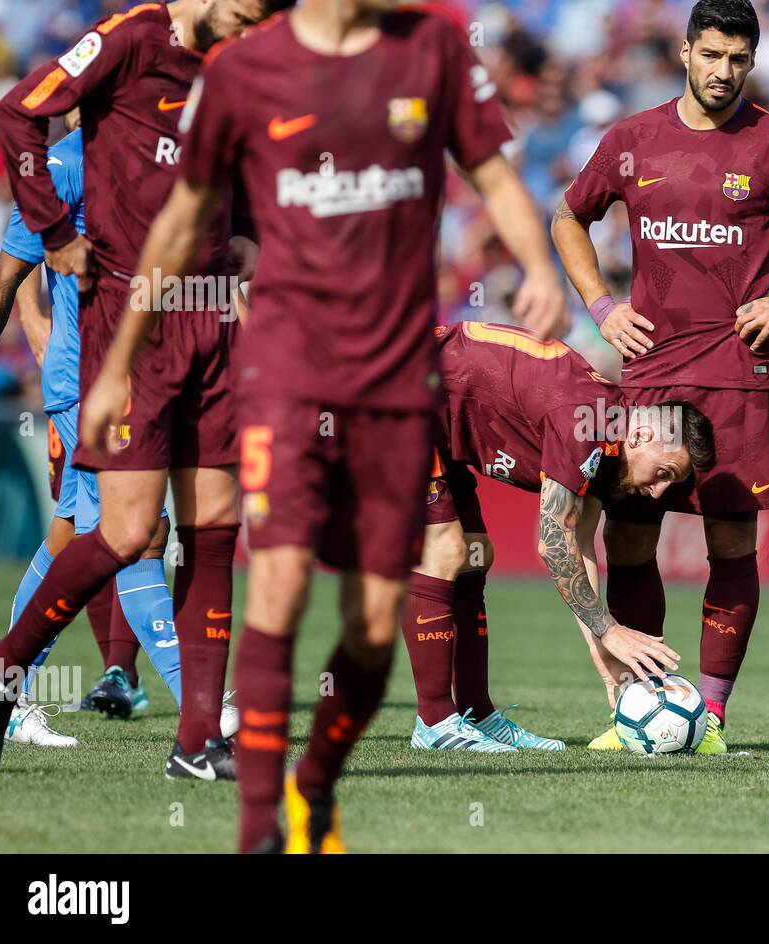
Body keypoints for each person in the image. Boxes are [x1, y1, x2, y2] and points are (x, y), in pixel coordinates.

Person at [88, 0, 568, 853]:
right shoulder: (243, 70)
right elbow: (181, 216)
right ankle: (258, 828)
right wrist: (121, 357)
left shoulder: (435, 50)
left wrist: (538, 264)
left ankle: (314, 782)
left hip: (393, 374)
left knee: (378, 623)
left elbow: (493, 172)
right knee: (276, 583)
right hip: (282, 371)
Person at [0, 0, 283, 779]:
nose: (254, 33)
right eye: (248, 15)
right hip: (130, 314)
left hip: (212, 312)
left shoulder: (236, 65)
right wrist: (54, 231)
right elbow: (17, 116)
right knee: (126, 533)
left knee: (215, 528)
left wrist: (244, 226)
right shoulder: (129, 38)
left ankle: (195, 744)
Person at [551, 0, 769, 752]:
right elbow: (567, 217)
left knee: (731, 545)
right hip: (651, 374)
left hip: (736, 374)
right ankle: (641, 704)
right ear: (686, 52)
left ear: (751, 61)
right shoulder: (631, 139)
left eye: (739, 59)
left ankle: (712, 716)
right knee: (626, 546)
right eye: (712, 55)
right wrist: (600, 304)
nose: (724, 71)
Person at [404, 322, 714, 752]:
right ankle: (434, 723)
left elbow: (580, 542)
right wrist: (608, 629)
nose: (659, 492)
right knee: (443, 549)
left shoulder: (611, 439)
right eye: (663, 474)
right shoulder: (585, 422)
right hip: (402, 388)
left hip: (439, 414)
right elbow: (552, 544)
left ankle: (475, 713)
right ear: (641, 435)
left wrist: (601, 650)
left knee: (475, 554)